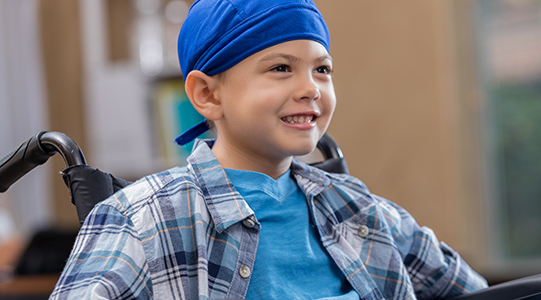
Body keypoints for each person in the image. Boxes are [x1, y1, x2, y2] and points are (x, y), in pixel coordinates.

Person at [50, 0, 487, 299]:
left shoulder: (364, 214)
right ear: (207, 95)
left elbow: (478, 292)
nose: (310, 88)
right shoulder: (143, 220)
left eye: (322, 69)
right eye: (280, 68)